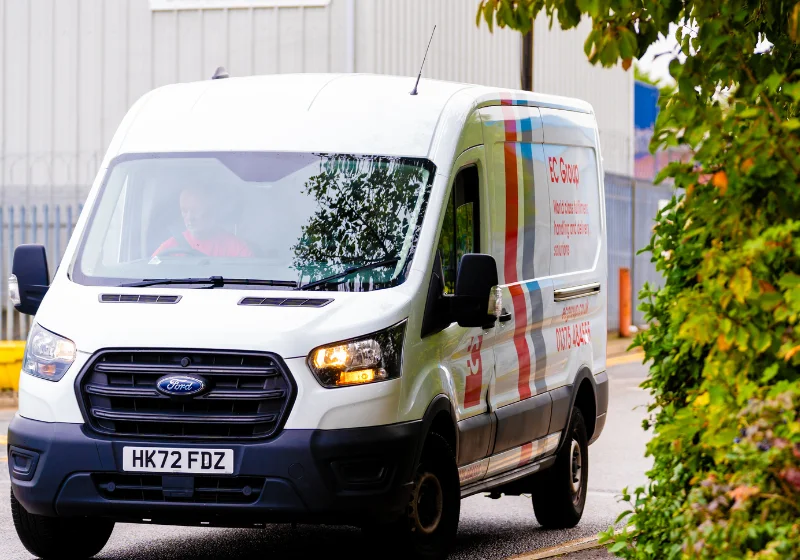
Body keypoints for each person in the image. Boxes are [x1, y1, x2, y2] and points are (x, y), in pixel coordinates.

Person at [153, 186, 253, 257]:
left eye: (195, 210)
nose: (189, 217)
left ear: (211, 211)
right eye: (184, 211)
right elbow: (150, 272)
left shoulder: (236, 248)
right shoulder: (170, 248)